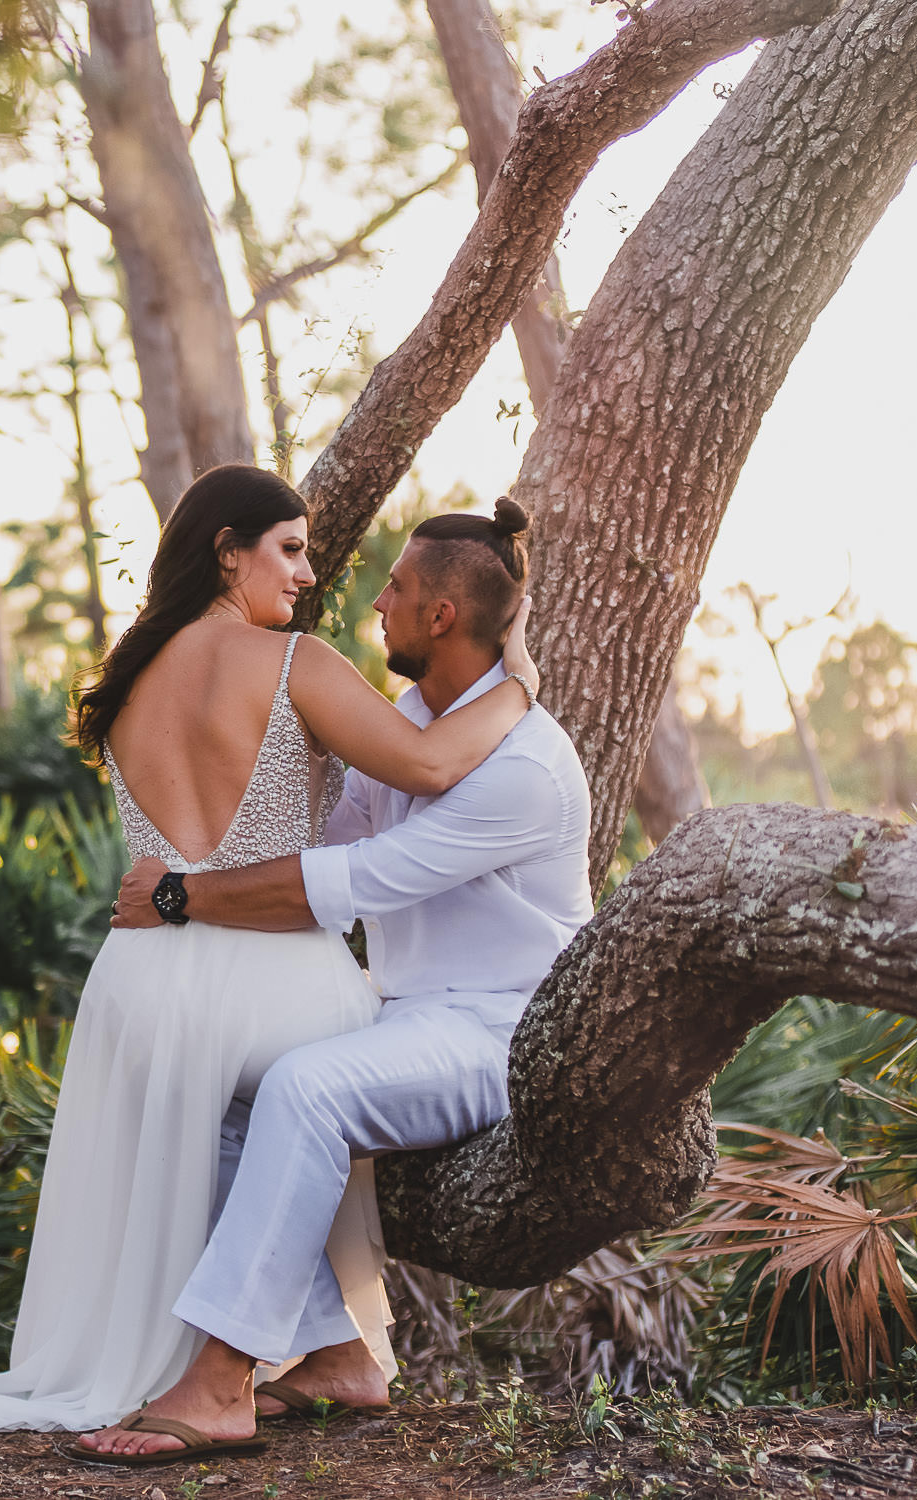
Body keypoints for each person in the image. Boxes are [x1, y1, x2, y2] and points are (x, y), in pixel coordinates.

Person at [0, 465, 537, 1441]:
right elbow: (428, 763)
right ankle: (261, 1365)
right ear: (228, 550)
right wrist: (518, 687)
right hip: (270, 979)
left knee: (240, 1108)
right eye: (289, 550)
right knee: (322, 1068)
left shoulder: (127, 681)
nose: (307, 576)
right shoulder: (293, 663)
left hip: (142, 982)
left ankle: (326, 1348)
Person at [75, 495, 593, 1463]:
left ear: (440, 617)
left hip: (501, 1031)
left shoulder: (526, 764)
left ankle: (223, 1379)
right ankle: (336, 1353)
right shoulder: (407, 720)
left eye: (394, 589)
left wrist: (183, 896)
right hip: (411, 1019)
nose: (372, 603)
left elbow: (354, 883)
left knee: (307, 1089)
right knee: (231, 1082)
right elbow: (335, 832)